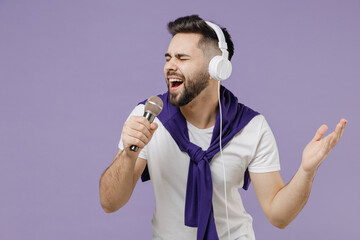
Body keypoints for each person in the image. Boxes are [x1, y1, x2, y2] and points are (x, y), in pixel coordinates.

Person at [99, 15, 347, 240]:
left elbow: (278, 216)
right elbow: (109, 203)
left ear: (216, 68)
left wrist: (306, 171)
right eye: (168, 58)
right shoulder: (148, 118)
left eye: (182, 58)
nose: (170, 66)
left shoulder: (251, 126)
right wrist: (128, 155)